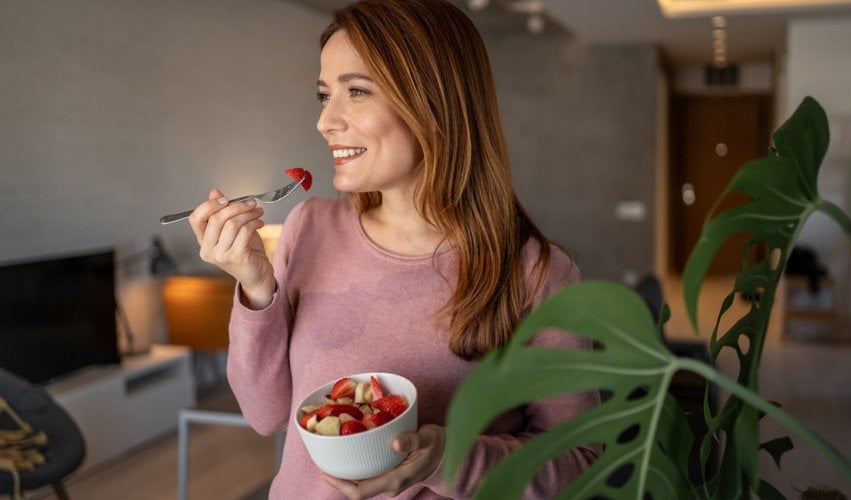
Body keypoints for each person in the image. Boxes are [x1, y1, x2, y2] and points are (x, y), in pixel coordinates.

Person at [187, 0, 599, 498]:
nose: (325, 121)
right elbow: (266, 415)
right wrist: (256, 287)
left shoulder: (539, 274)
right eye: (324, 95)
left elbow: (578, 461)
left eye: (356, 91)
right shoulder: (308, 227)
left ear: (433, 101)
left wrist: (448, 460)